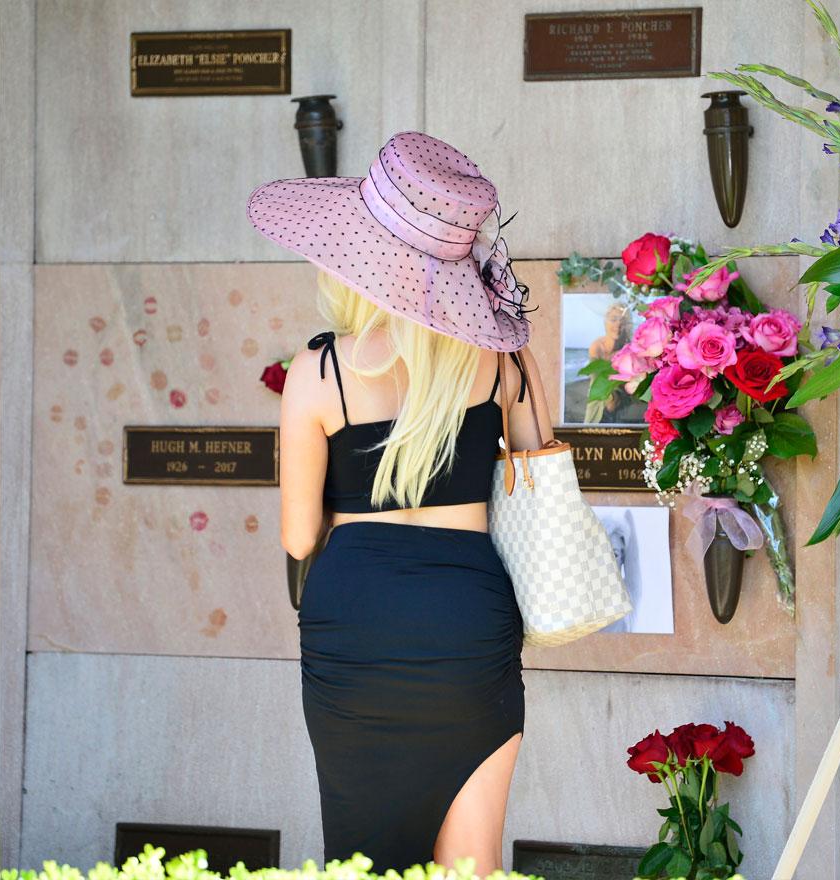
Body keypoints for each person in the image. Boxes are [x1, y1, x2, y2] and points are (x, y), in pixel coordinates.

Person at [245, 132, 551, 875]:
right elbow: (544, 480)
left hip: (355, 619)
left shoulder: (318, 372)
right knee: (472, 862)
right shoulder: (503, 358)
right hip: (467, 615)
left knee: (363, 855)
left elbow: (295, 537)